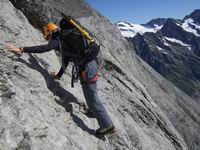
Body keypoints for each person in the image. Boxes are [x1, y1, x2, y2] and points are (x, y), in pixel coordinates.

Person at [6, 18, 115, 136]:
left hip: (88, 68)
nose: (48, 40)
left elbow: (44, 48)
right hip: (89, 65)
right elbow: (66, 60)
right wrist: (58, 75)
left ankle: (107, 125)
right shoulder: (65, 40)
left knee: (91, 96)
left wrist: (23, 49)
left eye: (47, 37)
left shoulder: (58, 39)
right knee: (89, 93)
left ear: (50, 33)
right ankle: (94, 111)